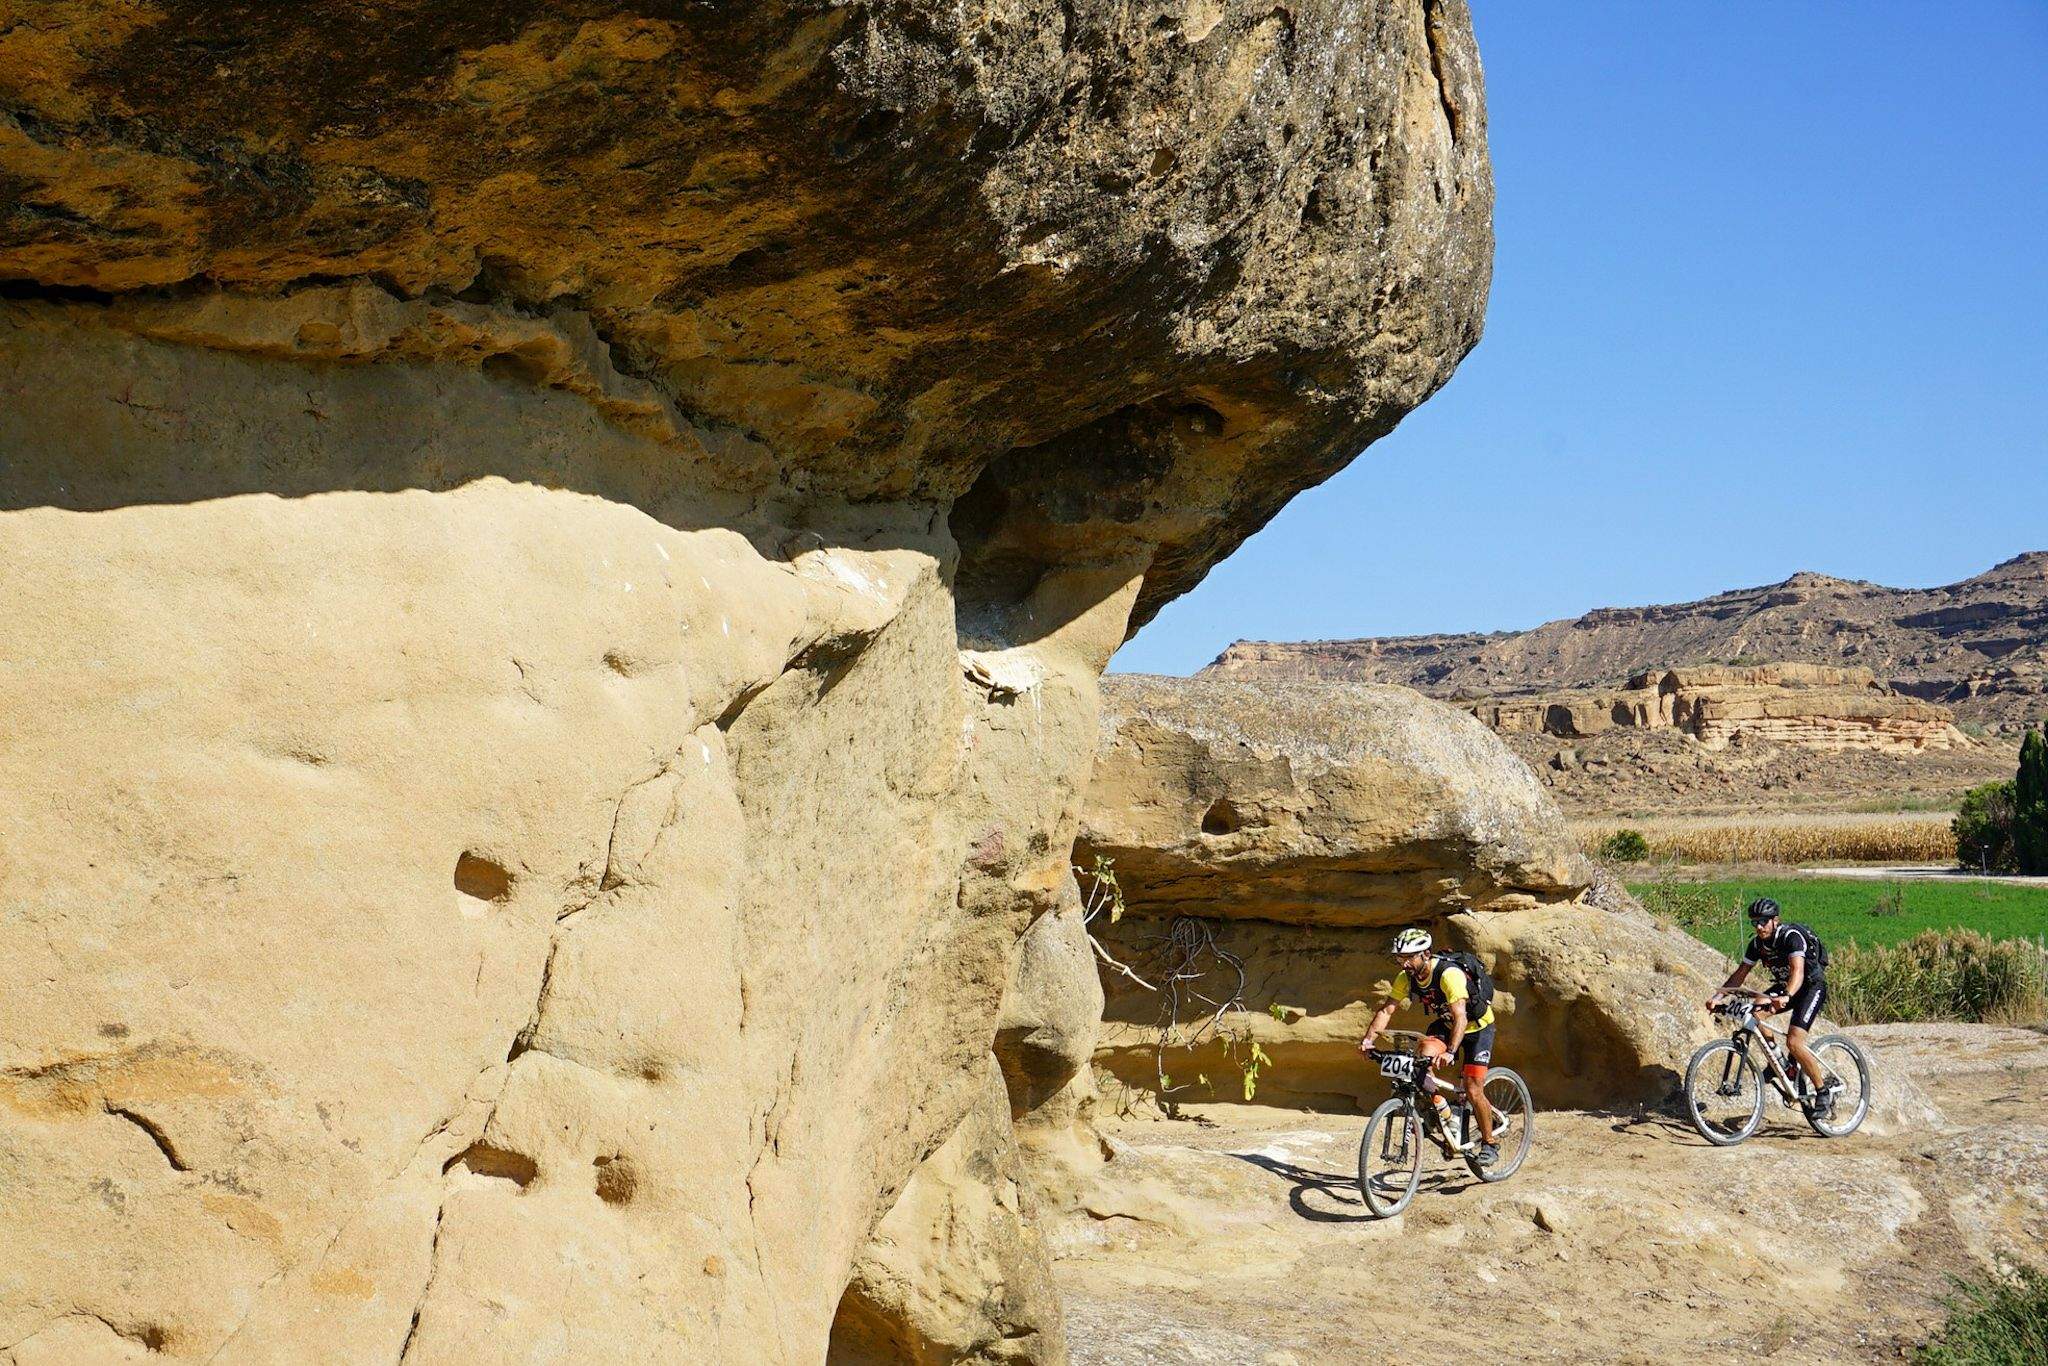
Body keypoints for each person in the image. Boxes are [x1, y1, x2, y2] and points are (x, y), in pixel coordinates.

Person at [1357, 927, 1499, 1163]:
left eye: (1409, 958)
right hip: (1445, 1025)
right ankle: (1443, 1109)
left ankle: (1490, 1143)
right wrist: (1368, 1040)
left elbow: (1461, 1017)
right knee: (1420, 1059)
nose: (1404, 964)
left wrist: (1452, 1052)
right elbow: (1386, 1009)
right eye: (1400, 958)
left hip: (1477, 1028)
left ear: (1425, 954)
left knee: (1473, 1090)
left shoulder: (1448, 974)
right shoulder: (1406, 978)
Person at [1708, 897, 1842, 1112]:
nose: (1759, 926)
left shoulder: (1791, 937)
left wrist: (1787, 994)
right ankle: (1780, 1063)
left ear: (1775, 920)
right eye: (1755, 922)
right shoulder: (1757, 945)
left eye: (1763, 921)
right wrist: (1717, 997)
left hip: (1809, 987)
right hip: (1786, 987)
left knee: (1795, 1043)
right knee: (1755, 1011)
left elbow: (1798, 972)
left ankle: (1822, 1091)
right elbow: (1739, 975)